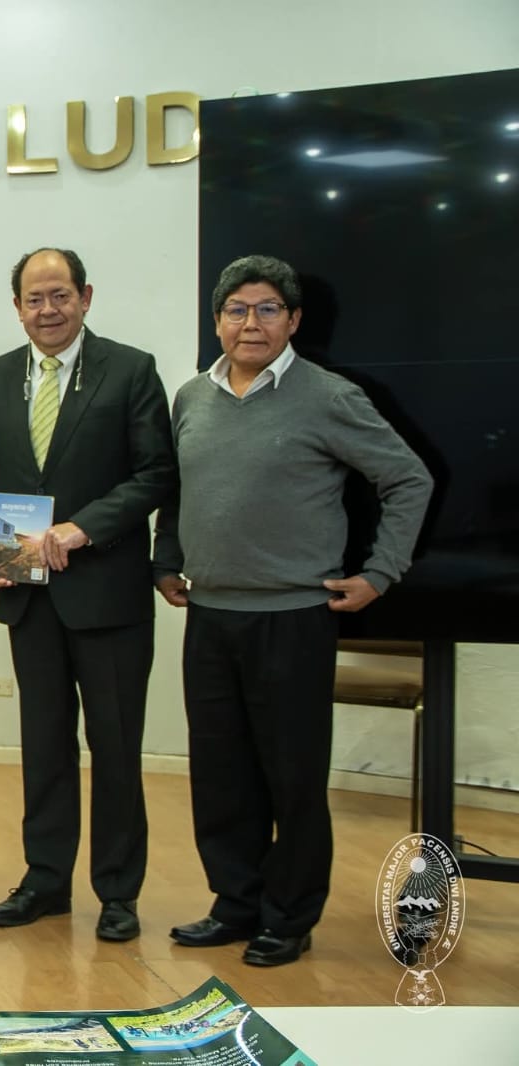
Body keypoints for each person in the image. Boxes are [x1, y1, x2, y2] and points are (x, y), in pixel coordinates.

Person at [154, 254, 431, 967]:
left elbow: (408, 479)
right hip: (210, 615)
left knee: (293, 779)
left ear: (294, 320)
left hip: (294, 618)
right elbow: (179, 490)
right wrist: (166, 557)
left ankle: (289, 916)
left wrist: (380, 573)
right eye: (237, 310)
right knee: (221, 775)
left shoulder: (329, 396)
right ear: (218, 320)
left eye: (268, 309)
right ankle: (235, 904)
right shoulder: (192, 397)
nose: (251, 323)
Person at [0, 248, 175, 942]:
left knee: (115, 748)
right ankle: (45, 881)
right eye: (34, 298)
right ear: (17, 307)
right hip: (28, 595)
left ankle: (118, 892)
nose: (48, 310)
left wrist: (84, 528)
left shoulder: (131, 369)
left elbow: (155, 473)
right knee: (44, 745)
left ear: (85, 297)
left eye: (60, 295)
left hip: (108, 596)